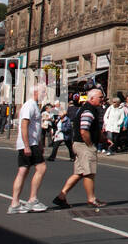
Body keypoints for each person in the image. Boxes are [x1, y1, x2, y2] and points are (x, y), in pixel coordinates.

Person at [51, 88, 108, 209]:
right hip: (84, 145)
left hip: (79, 144)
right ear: (92, 98)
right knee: (89, 173)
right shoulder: (88, 111)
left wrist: (103, 139)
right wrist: (89, 144)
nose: (102, 99)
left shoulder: (90, 109)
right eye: (100, 97)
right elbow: (84, 130)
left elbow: (93, 129)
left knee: (79, 173)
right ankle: (91, 199)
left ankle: (61, 196)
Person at [8, 85, 49, 214]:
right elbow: (24, 125)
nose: (45, 94)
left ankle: (14, 204)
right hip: (29, 143)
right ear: (36, 92)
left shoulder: (33, 105)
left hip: (31, 143)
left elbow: (34, 128)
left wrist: (39, 143)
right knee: (41, 168)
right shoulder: (30, 105)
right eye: (43, 92)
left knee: (23, 171)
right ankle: (32, 200)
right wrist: (27, 145)